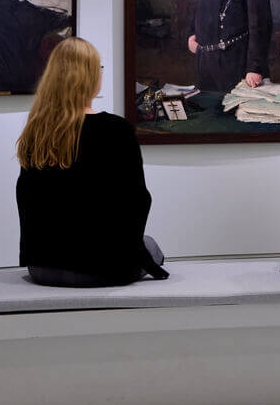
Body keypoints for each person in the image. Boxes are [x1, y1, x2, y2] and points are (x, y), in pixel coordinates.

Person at [16, 37, 168, 287]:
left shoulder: (37, 131)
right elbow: (137, 201)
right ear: (90, 77)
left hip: (42, 268)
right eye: (99, 69)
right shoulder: (116, 130)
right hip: (101, 268)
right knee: (150, 245)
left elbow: (27, 200)